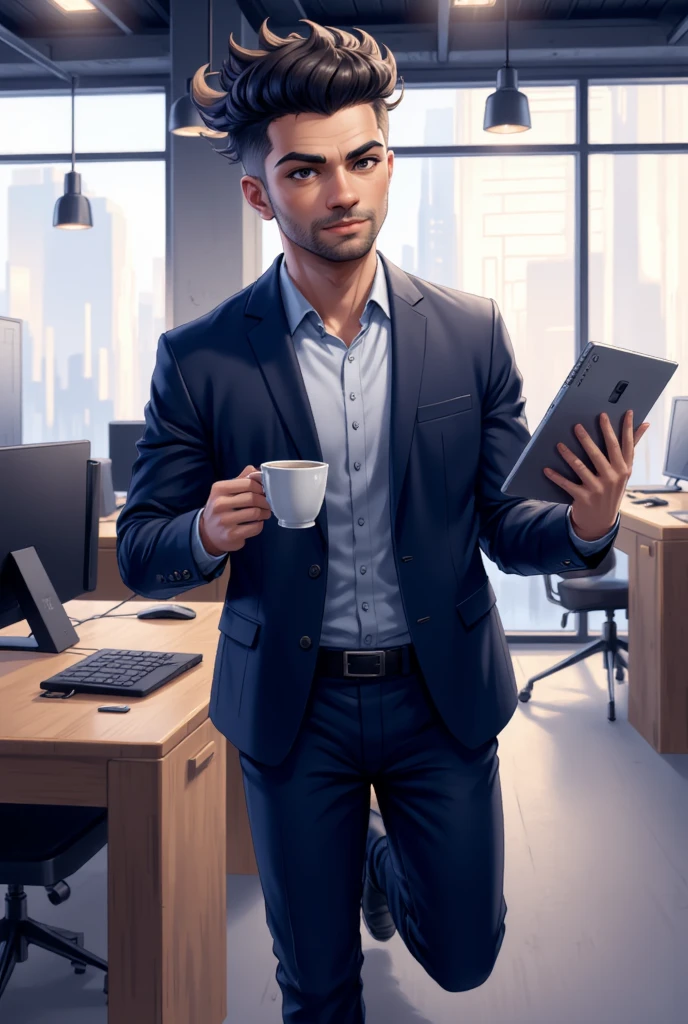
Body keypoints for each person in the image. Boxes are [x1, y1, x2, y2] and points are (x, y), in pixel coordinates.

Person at [117, 18, 649, 1024]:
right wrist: (207, 532)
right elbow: (144, 550)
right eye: (306, 171)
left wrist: (582, 523)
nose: (342, 191)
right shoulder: (200, 360)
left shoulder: (469, 331)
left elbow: (505, 523)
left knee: (462, 955)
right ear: (257, 190)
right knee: (315, 987)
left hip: (434, 696)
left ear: (388, 163)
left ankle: (376, 865)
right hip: (292, 704)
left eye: (362, 160)